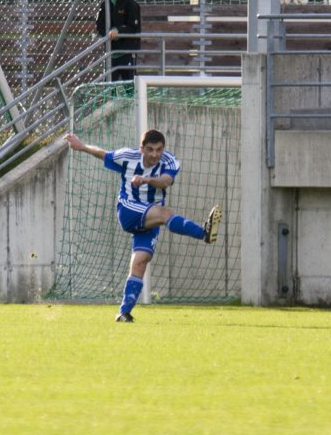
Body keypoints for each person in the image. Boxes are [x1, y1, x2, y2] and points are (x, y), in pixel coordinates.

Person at [64, 129, 222, 322]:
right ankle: (204, 234)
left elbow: (165, 181)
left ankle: (124, 313)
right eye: (150, 149)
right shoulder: (127, 156)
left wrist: (147, 180)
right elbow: (103, 154)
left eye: (159, 149)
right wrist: (81, 147)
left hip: (150, 217)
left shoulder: (170, 161)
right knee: (165, 214)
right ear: (142, 149)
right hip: (128, 210)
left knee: (141, 261)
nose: (155, 154)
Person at [96, 0, 141, 82]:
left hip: (127, 51)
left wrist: (118, 31)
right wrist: (107, 34)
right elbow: (99, 25)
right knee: (109, 83)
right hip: (110, 51)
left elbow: (133, 27)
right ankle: (112, 94)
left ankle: (130, 94)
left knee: (129, 83)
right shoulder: (105, 4)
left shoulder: (131, 4)